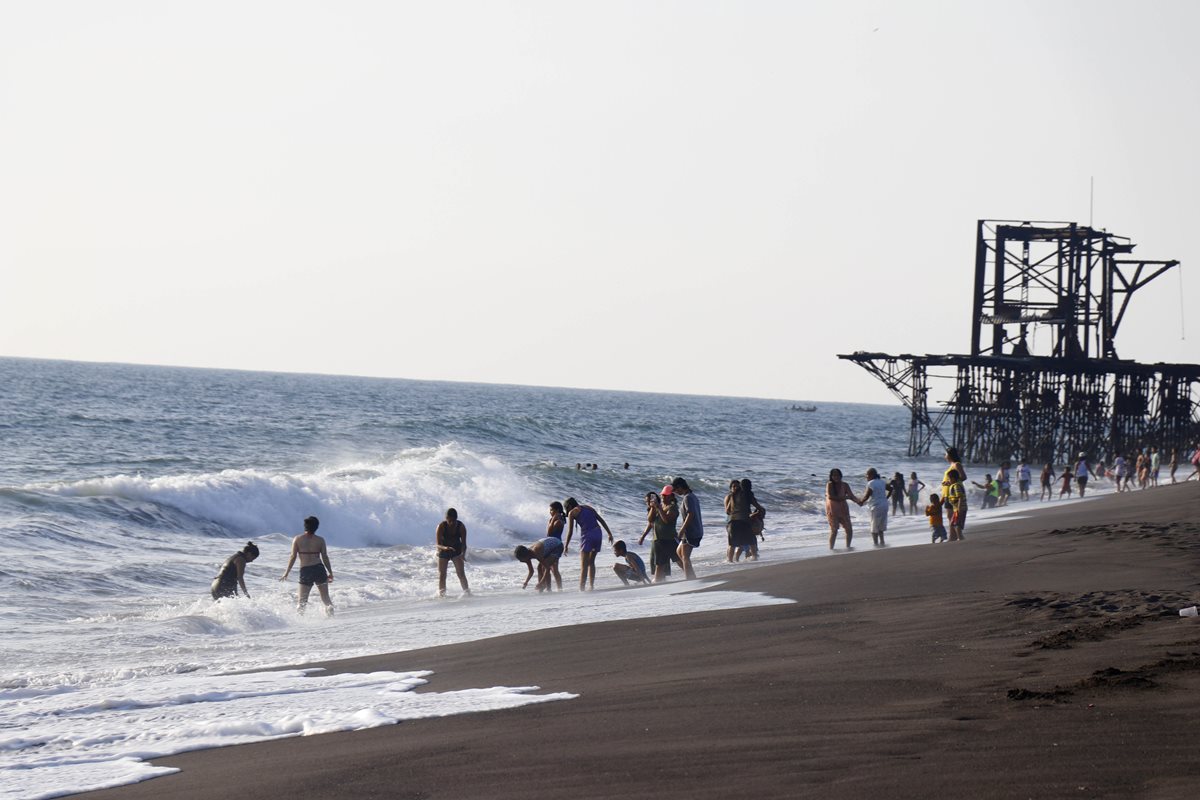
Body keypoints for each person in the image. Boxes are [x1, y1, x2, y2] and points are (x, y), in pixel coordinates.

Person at [280, 516, 334, 615]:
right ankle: (330, 612)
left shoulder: (297, 539)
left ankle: (300, 623)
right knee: (326, 598)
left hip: (306, 570)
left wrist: (286, 572)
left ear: (305, 526)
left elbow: (293, 556)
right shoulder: (320, 540)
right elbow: (325, 557)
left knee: (302, 602)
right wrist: (330, 572)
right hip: (319, 569)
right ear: (316, 527)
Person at [563, 497, 614, 591]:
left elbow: (570, 531)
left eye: (566, 508)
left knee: (584, 565)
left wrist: (566, 545)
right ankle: (591, 586)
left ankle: (581, 589)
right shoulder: (588, 507)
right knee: (591, 562)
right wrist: (609, 533)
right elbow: (601, 520)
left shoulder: (572, 512)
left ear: (569, 506)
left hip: (588, 536)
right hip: (598, 533)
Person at [672, 477, 703, 580]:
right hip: (694, 530)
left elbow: (691, 514)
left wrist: (682, 529)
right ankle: (691, 576)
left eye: (676, 490)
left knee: (685, 556)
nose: (676, 492)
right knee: (679, 551)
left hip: (692, 531)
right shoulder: (691, 496)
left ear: (680, 487)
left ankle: (690, 579)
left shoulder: (688, 498)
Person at [435, 508, 470, 598]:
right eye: (449, 520)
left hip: (456, 550)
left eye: (453, 521)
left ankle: (467, 593)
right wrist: (445, 548)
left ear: (456, 519)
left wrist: (463, 554)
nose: (451, 523)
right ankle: (442, 595)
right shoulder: (441, 526)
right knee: (442, 575)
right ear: (446, 518)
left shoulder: (461, 526)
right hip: (443, 550)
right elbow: (438, 544)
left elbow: (464, 544)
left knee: (461, 573)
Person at [825, 468, 859, 549]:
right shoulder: (829, 484)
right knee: (834, 531)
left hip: (843, 510)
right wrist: (845, 497)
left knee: (849, 530)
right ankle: (831, 548)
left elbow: (851, 496)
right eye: (834, 475)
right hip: (833, 511)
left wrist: (859, 501)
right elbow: (831, 496)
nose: (836, 477)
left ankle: (848, 547)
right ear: (831, 476)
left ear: (841, 476)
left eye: (838, 475)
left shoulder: (845, 485)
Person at [724, 479, 755, 563]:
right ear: (730, 488)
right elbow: (727, 511)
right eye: (733, 486)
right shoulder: (729, 496)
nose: (735, 488)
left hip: (739, 520)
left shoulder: (741, 496)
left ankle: (735, 559)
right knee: (732, 543)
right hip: (731, 520)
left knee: (740, 544)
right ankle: (729, 560)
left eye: (737, 486)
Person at [858, 468, 890, 547]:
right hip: (885, 505)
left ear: (871, 475)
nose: (866, 477)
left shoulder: (871, 483)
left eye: (867, 475)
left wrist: (861, 502)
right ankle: (882, 541)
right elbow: (891, 489)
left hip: (876, 506)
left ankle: (876, 544)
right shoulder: (882, 482)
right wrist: (886, 498)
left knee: (874, 527)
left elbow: (867, 495)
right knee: (881, 526)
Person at [941, 447, 968, 535]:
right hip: (947, 493)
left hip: (954, 493)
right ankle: (953, 535)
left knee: (952, 516)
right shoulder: (951, 465)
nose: (945, 456)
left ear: (949, 455)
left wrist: (950, 481)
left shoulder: (956, 464)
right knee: (950, 516)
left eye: (945, 454)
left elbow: (963, 477)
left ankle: (954, 536)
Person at [741, 478, 766, 560]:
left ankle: (733, 559)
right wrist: (756, 514)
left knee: (740, 539)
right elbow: (759, 507)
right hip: (746, 518)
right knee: (751, 537)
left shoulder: (736, 494)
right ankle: (753, 554)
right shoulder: (749, 494)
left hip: (735, 518)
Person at [944, 469, 967, 541]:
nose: (948, 480)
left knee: (957, 525)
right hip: (955, 509)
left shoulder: (956, 486)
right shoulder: (954, 484)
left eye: (949, 479)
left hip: (960, 508)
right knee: (952, 523)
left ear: (953, 479)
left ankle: (961, 538)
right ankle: (960, 538)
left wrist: (959, 508)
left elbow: (960, 497)